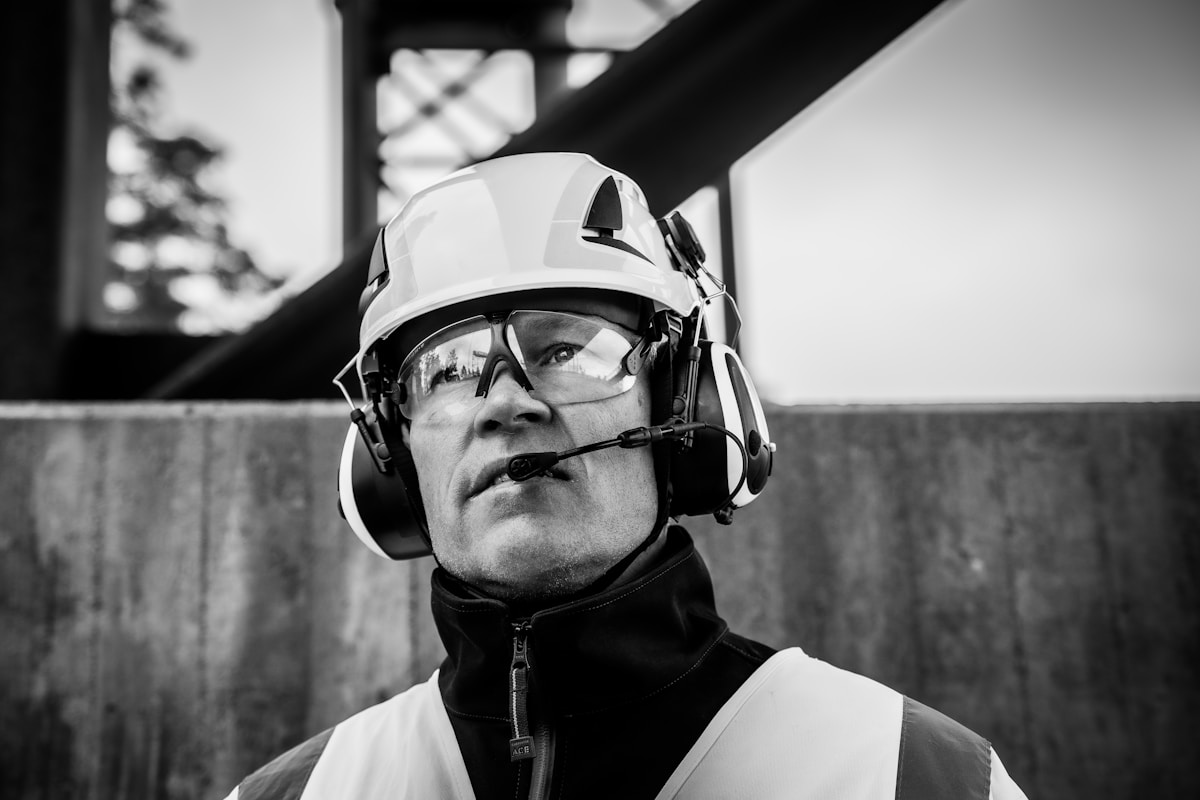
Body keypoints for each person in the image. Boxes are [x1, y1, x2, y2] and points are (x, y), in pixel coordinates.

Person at [223, 152, 1027, 799]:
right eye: (447, 370)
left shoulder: (910, 775)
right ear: (390, 460)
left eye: (568, 351)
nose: (503, 403)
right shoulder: (295, 794)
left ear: (688, 406)